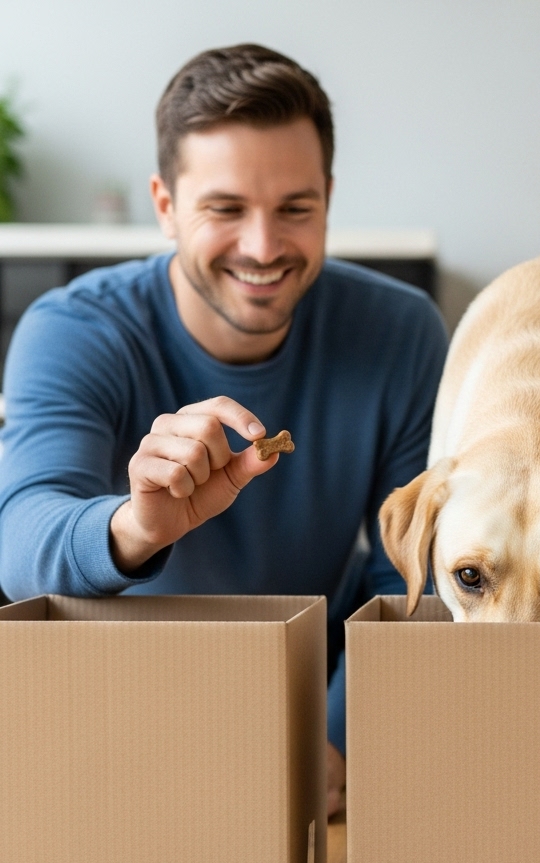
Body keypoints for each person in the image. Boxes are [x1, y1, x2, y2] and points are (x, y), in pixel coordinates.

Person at [0, 44, 448, 817]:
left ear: (329, 198)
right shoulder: (75, 328)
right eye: (226, 208)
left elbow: (415, 570)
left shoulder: (402, 333)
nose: (265, 246)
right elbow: (18, 541)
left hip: (311, 690)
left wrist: (338, 734)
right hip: (116, 707)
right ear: (165, 204)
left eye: (296, 209)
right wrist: (136, 526)